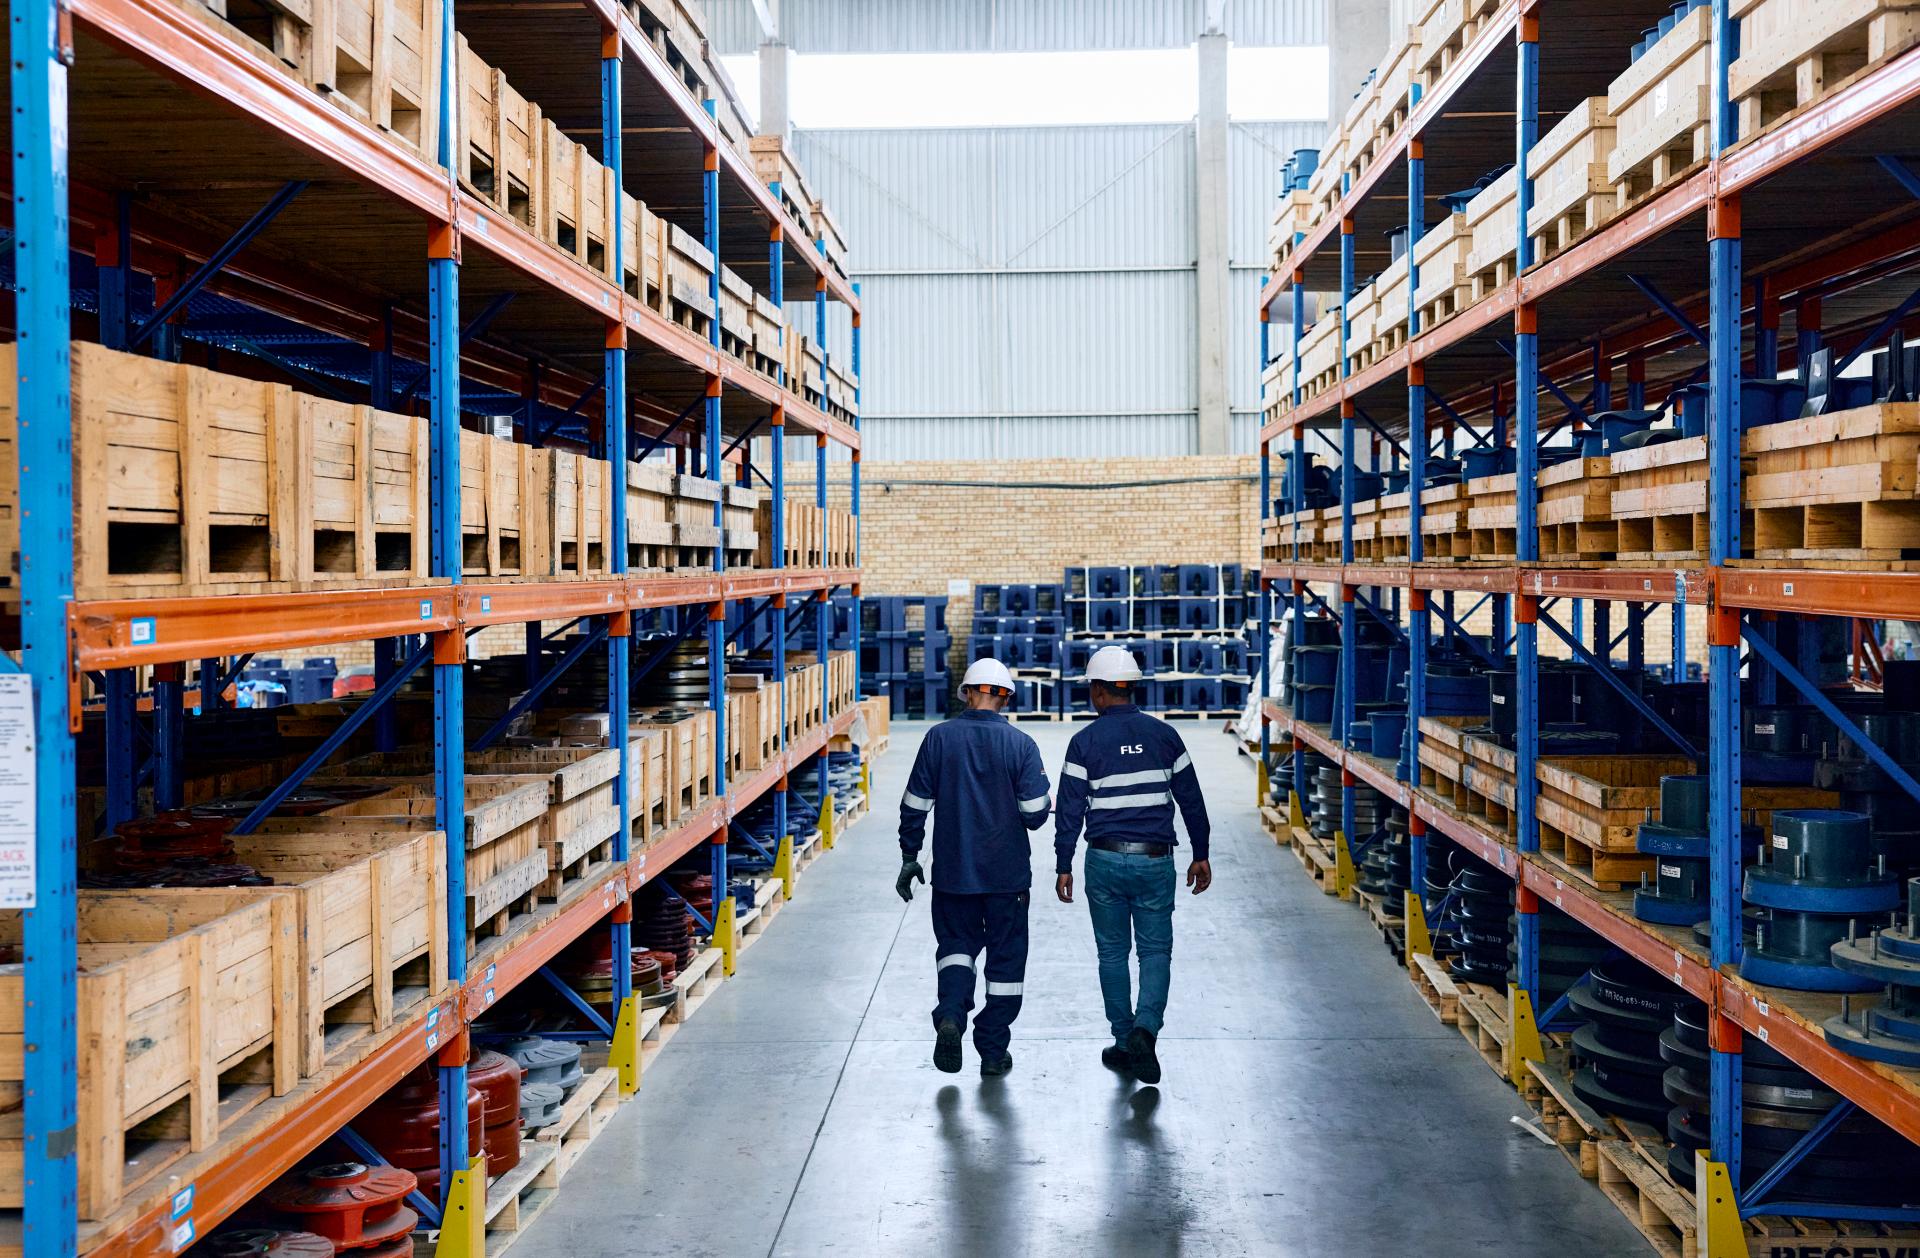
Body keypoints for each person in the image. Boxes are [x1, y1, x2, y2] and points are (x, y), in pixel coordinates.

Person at [1053, 645, 1212, 1085]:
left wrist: (1063, 863)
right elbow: (1192, 800)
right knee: (1155, 951)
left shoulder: (1084, 742)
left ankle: (1124, 1042)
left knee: (1112, 952)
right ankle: (1146, 1030)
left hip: (1103, 859)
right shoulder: (1165, 736)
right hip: (1154, 860)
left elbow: (1069, 811)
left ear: (1100, 691)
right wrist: (1200, 853)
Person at [896, 657, 1053, 1077]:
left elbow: (914, 805)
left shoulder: (938, 738)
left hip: (953, 875)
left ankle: (951, 1015)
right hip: (1007, 879)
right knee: (1005, 965)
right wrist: (1043, 797)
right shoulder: (1021, 745)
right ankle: (992, 1052)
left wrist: (910, 856)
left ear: (966, 693)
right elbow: (1035, 814)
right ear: (1006, 699)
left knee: (955, 949)